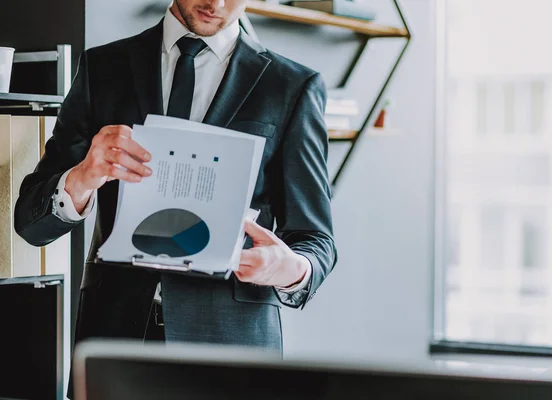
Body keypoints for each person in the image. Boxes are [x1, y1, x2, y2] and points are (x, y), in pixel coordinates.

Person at [14, 0, 336, 396]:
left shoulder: (291, 86)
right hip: (113, 341)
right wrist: (83, 176)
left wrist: (289, 268)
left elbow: (316, 241)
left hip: (232, 351)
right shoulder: (103, 68)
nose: (215, 3)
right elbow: (30, 224)